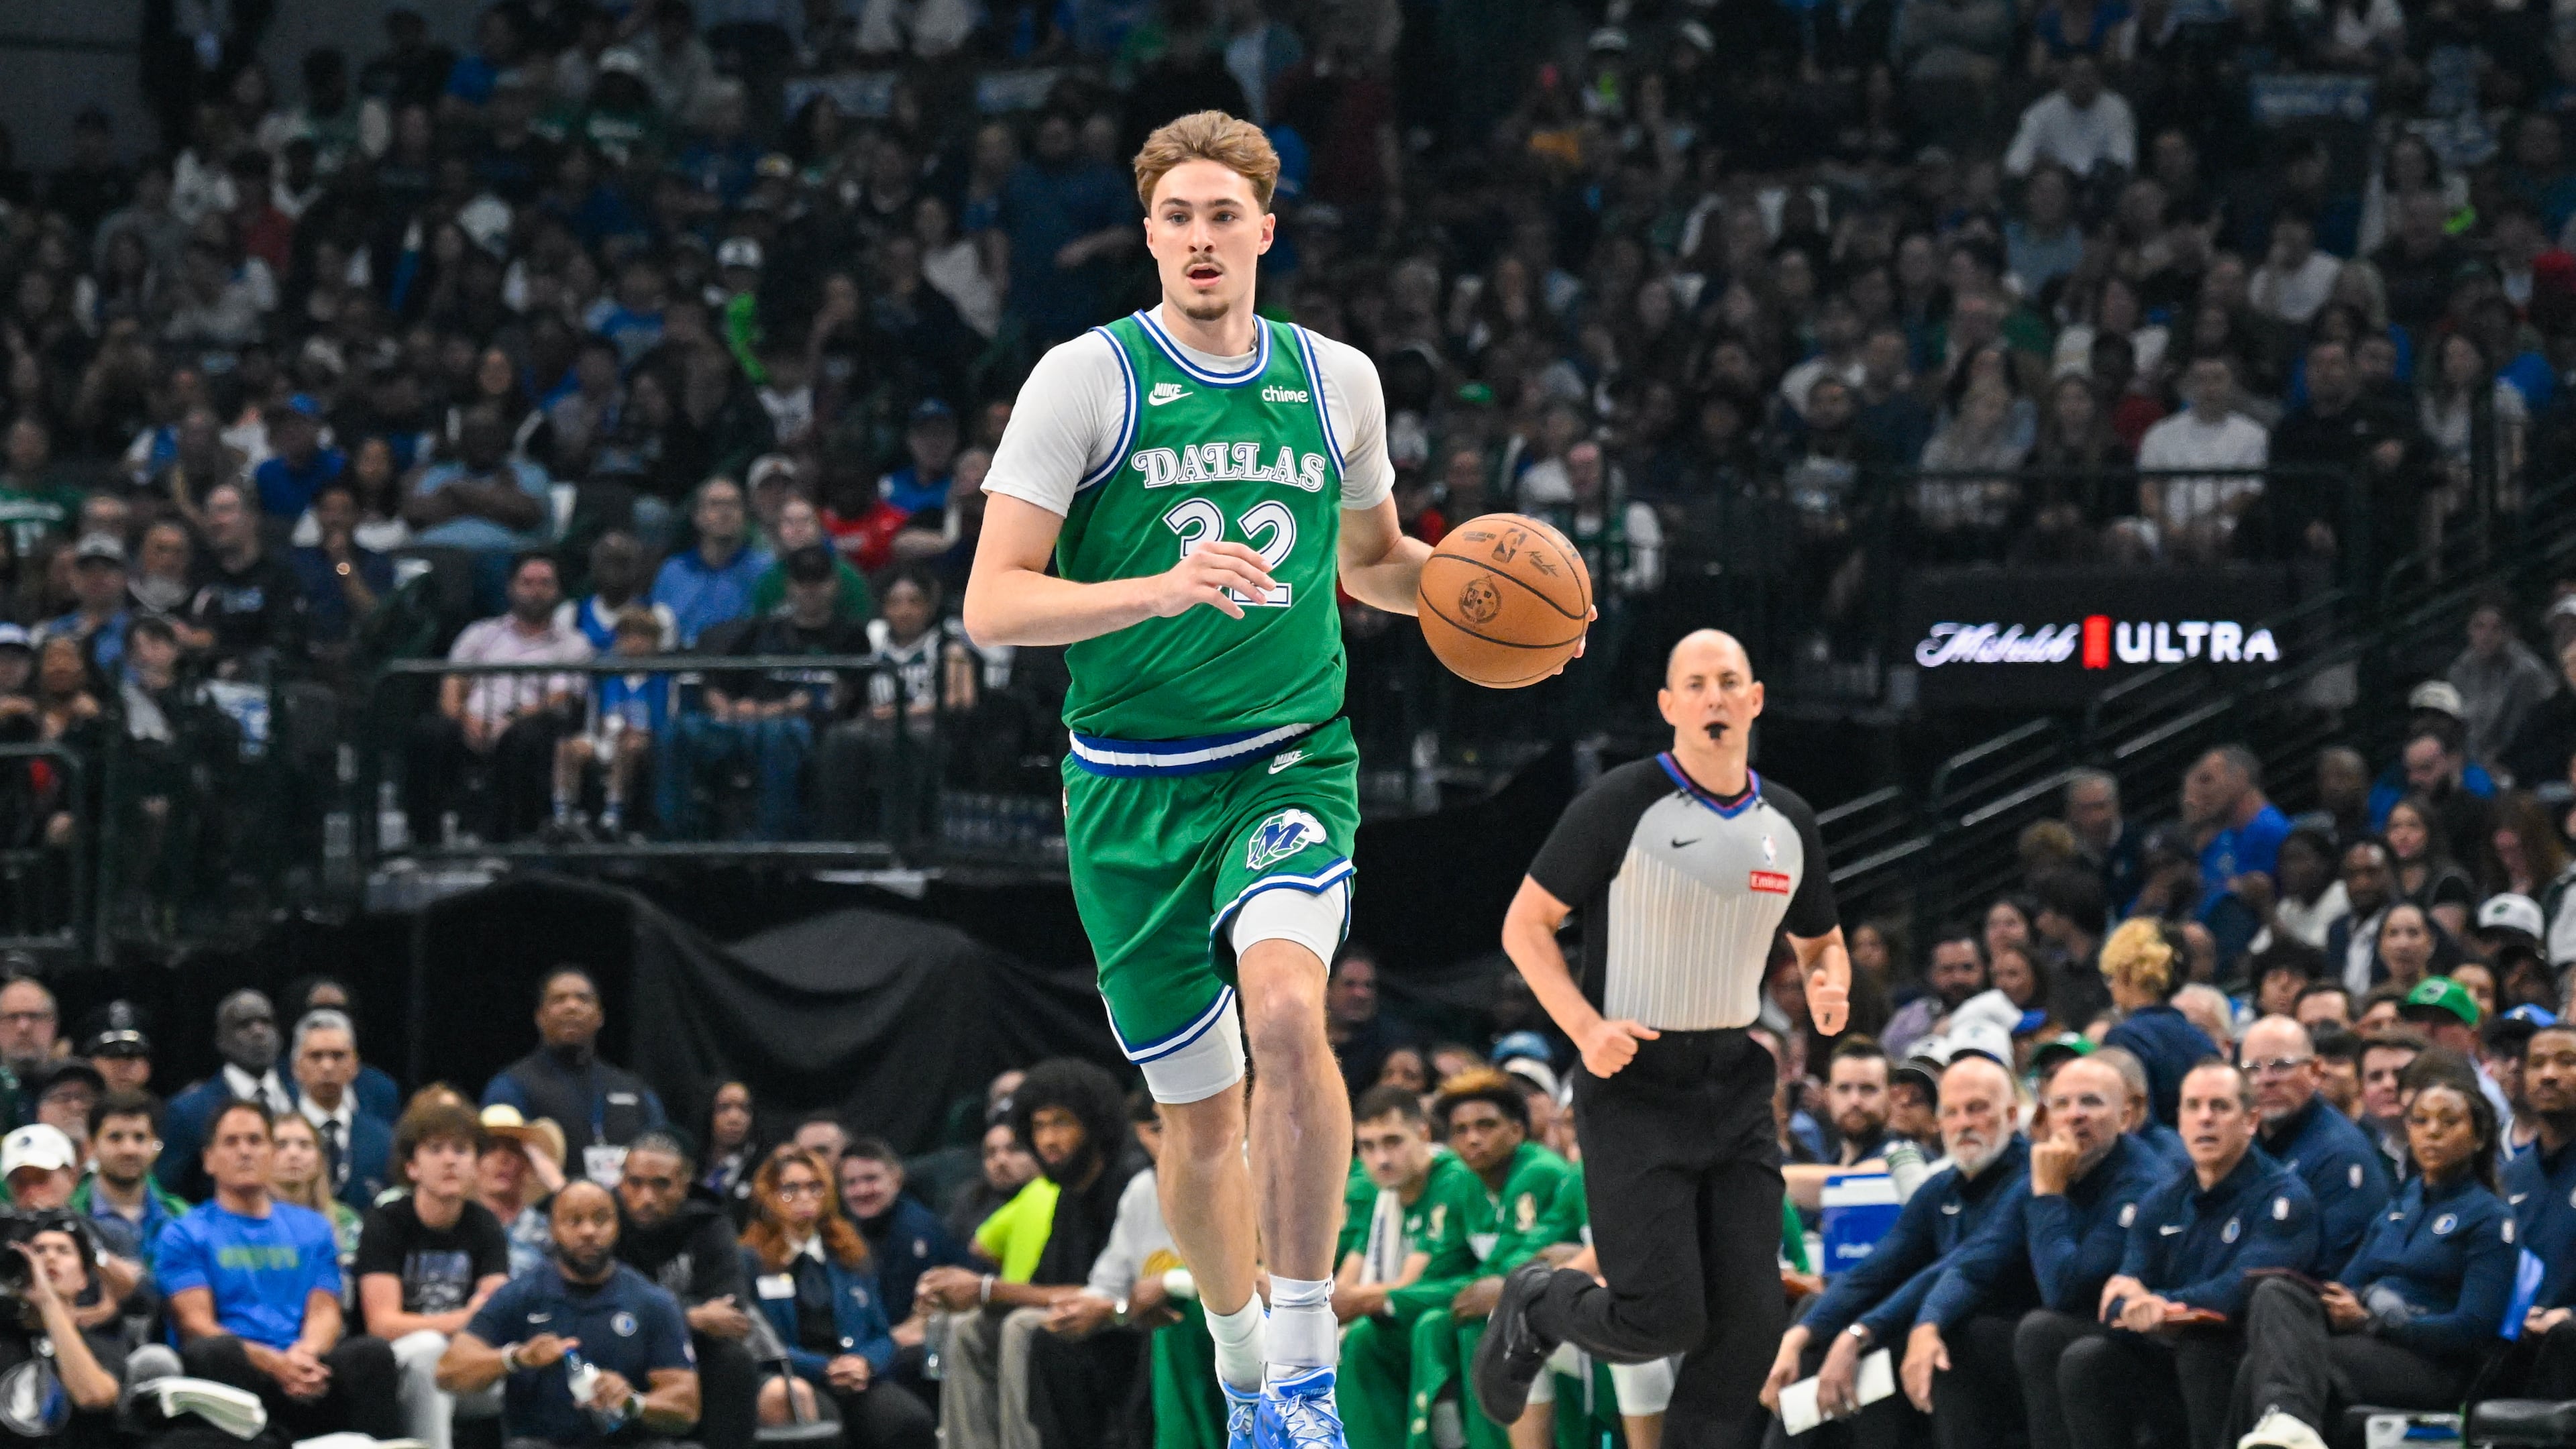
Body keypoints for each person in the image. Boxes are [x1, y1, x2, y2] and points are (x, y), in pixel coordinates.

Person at [961, 111, 1448, 1444]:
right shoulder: (1087, 379)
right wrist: (1159, 588)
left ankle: (1303, 1362)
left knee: (1290, 1015)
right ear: (1151, 234)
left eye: (1223, 216)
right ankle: (1242, 1365)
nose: (1199, 239)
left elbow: (1371, 563)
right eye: (1176, 217)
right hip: (1128, 791)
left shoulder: (1334, 379)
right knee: (1197, 1118)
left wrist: (1470, 592)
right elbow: (994, 606)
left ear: (1266, 229)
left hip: (1290, 759)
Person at [1475, 625, 1853, 1438]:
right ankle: (1540, 1300)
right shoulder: (1622, 801)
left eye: (1729, 681)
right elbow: (1526, 925)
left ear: (1754, 701)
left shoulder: (1788, 821)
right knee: (1664, 1319)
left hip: (1737, 1080)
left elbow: (1820, 937)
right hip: (1634, 1083)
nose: (1715, 695)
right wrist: (1583, 1027)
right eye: (1697, 683)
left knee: (1752, 1324)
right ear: (1669, 705)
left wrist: (1832, 983)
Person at [2024, 1061, 2319, 1449]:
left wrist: (2161, 1304)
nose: (2205, 1119)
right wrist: (2133, 1307)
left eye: (2220, 1107)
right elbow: (2121, 1293)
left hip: (2244, 1353)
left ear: (2250, 1120)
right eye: (2193, 1107)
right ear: (2179, 1121)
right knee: (2088, 1358)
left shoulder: (2283, 1196)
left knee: (2201, 1348)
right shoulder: (2162, 1199)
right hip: (2169, 1353)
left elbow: (2246, 1286)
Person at [1758, 1055, 2029, 1449]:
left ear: (2010, 1114)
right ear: (1939, 1122)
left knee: (1881, 1349)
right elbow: (1878, 1266)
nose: (1964, 1123)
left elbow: (1954, 1268)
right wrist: (1796, 1340)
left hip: (2000, 1327)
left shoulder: (2028, 1179)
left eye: (1977, 1109)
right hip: (1943, 1315)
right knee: (1811, 1322)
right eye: (1952, 1112)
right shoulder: (1944, 1185)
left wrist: (1859, 1333)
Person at [2229, 1077, 2516, 1448]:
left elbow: (2473, 1328)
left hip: (2431, 1363)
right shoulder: (2401, 1204)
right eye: (2421, 1120)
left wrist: (2376, 1323)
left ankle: (2291, 1427)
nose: (2433, 1132)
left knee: (2290, 1368)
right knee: (2274, 1296)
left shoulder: (2491, 1218)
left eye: (2449, 1121)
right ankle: (2289, 1430)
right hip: (2369, 1339)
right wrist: (2341, 1305)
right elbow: (2348, 1283)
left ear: (2478, 1138)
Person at [1921, 1055, 2167, 1449]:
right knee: (1966, 1335)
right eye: (2062, 1104)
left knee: (2043, 1330)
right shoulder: (2047, 1168)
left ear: (2125, 1118)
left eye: (2091, 1102)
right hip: (2074, 1327)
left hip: (2145, 1336)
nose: (2075, 1116)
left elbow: (2066, 1290)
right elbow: (1976, 1261)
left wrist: (2049, 1196)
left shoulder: (2144, 1181)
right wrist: (1927, 1324)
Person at [916, 1059, 1142, 1449]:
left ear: (1095, 1122)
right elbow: (1047, 1287)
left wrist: (987, 1288)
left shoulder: (1130, 1182)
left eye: (1062, 1123)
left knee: (1023, 1325)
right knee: (966, 1327)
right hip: (1080, 1328)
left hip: (1128, 1326)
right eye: (1038, 1126)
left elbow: (1109, 1294)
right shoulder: (1067, 1197)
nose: (1048, 1140)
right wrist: (967, 1293)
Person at [158, 1100, 402, 1440]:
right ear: (209, 1159)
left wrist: (306, 1354)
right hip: (239, 1373)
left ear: (271, 1153)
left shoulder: (314, 1228)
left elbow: (325, 1310)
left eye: (256, 1141)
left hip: (306, 1368)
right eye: (231, 1142)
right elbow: (196, 1325)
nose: (245, 1151)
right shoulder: (184, 1233)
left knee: (371, 1353)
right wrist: (274, 1363)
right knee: (212, 1351)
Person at [436, 1180, 702, 1448]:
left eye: (600, 1220)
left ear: (618, 1226)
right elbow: (449, 1371)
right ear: (552, 1229)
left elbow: (686, 1406)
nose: (588, 1231)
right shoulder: (522, 1295)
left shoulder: (651, 1301)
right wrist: (516, 1357)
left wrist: (633, 1402)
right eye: (574, 1221)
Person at [736, 1144, 934, 1449]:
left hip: (855, 1372)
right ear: (769, 1196)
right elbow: (758, 1342)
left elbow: (881, 1333)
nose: (804, 1197)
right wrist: (823, 1367)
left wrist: (865, 1363)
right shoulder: (751, 1260)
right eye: (790, 1189)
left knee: (909, 1421)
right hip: (797, 1372)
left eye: (815, 1187)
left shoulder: (849, 1252)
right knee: (824, 1427)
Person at [1332, 1085, 1486, 1449]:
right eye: (1368, 1147)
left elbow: (1408, 1285)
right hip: (1411, 1314)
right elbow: (1346, 1281)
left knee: (1366, 1339)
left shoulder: (1451, 1179)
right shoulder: (1385, 1194)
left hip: (1451, 1310)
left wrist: (1336, 1301)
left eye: (1392, 1142)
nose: (1381, 1159)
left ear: (1423, 1134)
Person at [357, 1097, 511, 1449]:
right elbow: (382, 1324)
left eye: (461, 1150)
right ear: (412, 1167)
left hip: (461, 1359)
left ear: (476, 1164)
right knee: (429, 1350)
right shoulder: (386, 1222)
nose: (450, 1160)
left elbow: (494, 1316)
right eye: (436, 1149)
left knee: (525, 1369)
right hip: (397, 1364)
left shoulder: (486, 1225)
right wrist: (463, 1319)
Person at [407, 552, 593, 842]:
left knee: (523, 738)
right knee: (429, 733)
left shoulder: (572, 643)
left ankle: (504, 842)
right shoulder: (481, 633)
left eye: (545, 583)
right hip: (473, 721)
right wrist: (466, 719)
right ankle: (424, 842)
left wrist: (508, 721)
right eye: (527, 582)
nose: (536, 591)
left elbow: (560, 698)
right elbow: (453, 685)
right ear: (511, 588)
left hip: (532, 724)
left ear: (558, 591)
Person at [613, 1130, 756, 1449]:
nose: (646, 1197)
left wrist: (653, 1315)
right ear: (621, 1183)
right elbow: (607, 1303)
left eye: (661, 1184)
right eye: (635, 1183)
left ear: (684, 1186)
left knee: (734, 1360)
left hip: (692, 1355)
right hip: (621, 1349)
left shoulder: (709, 1223)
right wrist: (690, 1315)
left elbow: (732, 1312)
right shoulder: (606, 1220)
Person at [481, 967, 668, 1184]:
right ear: (540, 1017)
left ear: (600, 1016)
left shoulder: (634, 1090)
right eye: (559, 1000)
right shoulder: (511, 1087)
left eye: (583, 999)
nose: (572, 1006)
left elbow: (663, 1155)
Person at [2238, 1015, 2393, 1275]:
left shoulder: (2341, 1153)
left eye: (2281, 1065)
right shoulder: (2244, 1141)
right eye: (2252, 1069)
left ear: (2316, 1071)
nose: (2266, 1079)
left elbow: (2332, 1268)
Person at [835, 1137, 971, 1389]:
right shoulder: (847, 1233)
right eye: (851, 1183)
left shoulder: (916, 1230)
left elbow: (910, 1322)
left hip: (938, 1340)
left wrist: (871, 1354)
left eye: (871, 1179)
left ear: (896, 1179)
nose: (862, 1190)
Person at [0, 1207, 138, 1449]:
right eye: (38, 1251)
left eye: (63, 1251)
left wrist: (47, 1301)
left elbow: (94, 1396)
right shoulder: (7, 1334)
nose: (49, 1258)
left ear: (83, 1279)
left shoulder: (102, 1335)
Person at [160, 989, 292, 1200]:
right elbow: (170, 1194)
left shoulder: (302, 1096)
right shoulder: (189, 1111)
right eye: (244, 1025)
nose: (258, 1032)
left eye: (266, 1022)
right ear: (222, 1040)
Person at [2502, 1021, 2575, 1392]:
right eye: (2538, 1063)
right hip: (2515, 1337)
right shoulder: (2510, 1177)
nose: (2549, 1075)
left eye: (2567, 1062)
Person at [2097, 920, 2218, 1125]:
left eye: (2111, 977)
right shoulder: (2201, 1039)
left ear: (2126, 974)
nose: (2111, 987)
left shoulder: (2125, 1038)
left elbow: (2136, 1125)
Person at [290, 1008, 394, 1211]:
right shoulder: (276, 1137)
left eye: (338, 1056)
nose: (327, 1066)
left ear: (355, 1065)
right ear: (296, 1067)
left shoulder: (383, 1140)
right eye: (316, 1056)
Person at [651, 477, 771, 647]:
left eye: (733, 504)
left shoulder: (765, 569)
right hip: (684, 665)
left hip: (743, 666)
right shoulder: (673, 571)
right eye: (715, 504)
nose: (725, 512)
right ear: (697, 516)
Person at [1782, 1038, 1898, 1210]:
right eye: (1844, 1089)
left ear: (1892, 1096)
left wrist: (1772, 1179)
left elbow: (1857, 1182)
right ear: (1828, 1097)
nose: (1855, 1101)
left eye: (1868, 1089)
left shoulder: (1906, 1152)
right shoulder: (1832, 1159)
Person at [72, 1091, 184, 1264]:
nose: (129, 1149)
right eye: (115, 1137)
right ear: (91, 1146)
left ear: (157, 1147)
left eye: (140, 1138)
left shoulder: (181, 1216)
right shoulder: (71, 1216)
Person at [1881, 926, 1986, 1060]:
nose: (1958, 978)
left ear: (1982, 970)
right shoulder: (1908, 1020)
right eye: (1947, 969)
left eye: (1967, 968)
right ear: (1931, 974)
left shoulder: (2000, 1010)